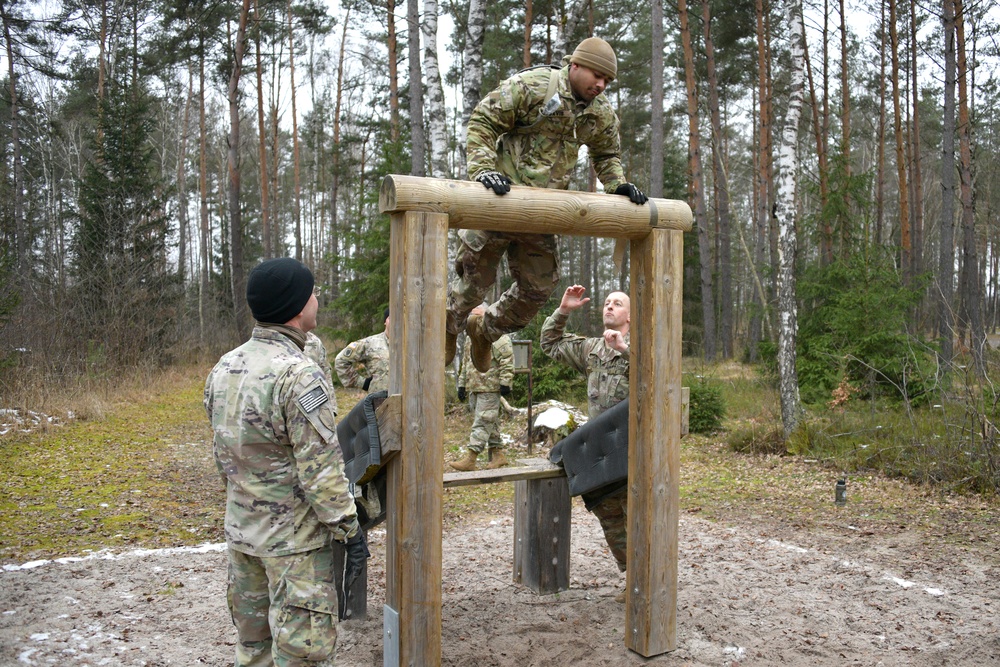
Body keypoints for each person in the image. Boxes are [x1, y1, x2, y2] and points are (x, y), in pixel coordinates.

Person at [447, 36, 648, 375]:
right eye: (595, 75)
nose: (600, 85)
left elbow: (606, 154)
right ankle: (450, 328)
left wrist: (616, 185)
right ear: (575, 65)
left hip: (540, 214)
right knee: (472, 286)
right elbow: (483, 119)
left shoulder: (599, 114)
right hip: (498, 202)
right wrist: (484, 170)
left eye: (607, 81)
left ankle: (484, 332)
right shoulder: (535, 86)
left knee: (538, 290)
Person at [205, 257, 370, 666]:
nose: (317, 298)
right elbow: (321, 471)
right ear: (297, 307)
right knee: (303, 655)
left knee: (254, 650)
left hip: (243, 537)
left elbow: (223, 456)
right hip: (293, 546)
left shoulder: (225, 366)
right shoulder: (299, 374)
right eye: (312, 292)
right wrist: (349, 530)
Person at [540, 284, 630, 602]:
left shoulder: (642, 347)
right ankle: (632, 577)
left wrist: (626, 349)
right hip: (601, 449)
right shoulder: (592, 349)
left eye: (617, 304)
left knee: (636, 514)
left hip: (633, 449)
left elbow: (660, 375)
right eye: (606, 302)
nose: (609, 307)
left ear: (629, 316)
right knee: (608, 513)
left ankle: (647, 578)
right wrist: (563, 311)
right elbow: (550, 344)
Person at [451, 307, 515, 471]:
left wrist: (505, 382)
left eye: (476, 317)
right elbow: (466, 362)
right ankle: (498, 454)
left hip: (490, 387)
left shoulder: (496, 335)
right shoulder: (470, 337)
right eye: (471, 316)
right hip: (475, 387)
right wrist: (462, 385)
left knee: (483, 421)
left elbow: (507, 359)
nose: (473, 320)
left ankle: (471, 458)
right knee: (488, 421)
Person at [335, 308, 390, 393]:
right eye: (391, 318)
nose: (396, 321)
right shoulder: (370, 343)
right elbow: (341, 360)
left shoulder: (413, 345)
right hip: (379, 401)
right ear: (385, 322)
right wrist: (362, 382)